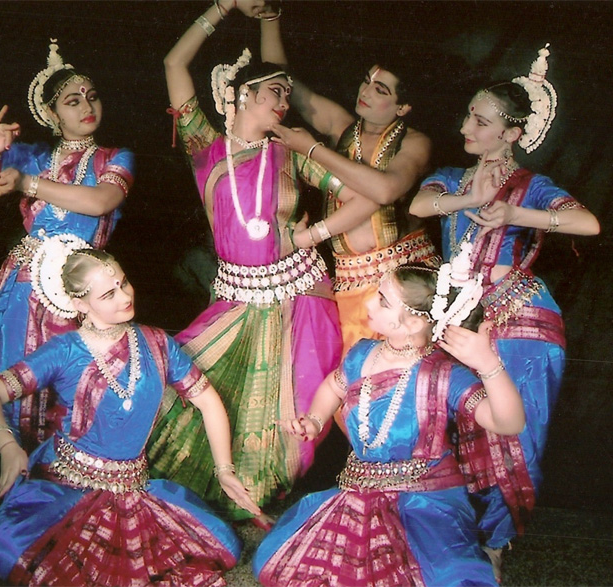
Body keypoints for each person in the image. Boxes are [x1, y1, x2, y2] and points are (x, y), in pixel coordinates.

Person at [146, 0, 382, 527]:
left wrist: (313, 233)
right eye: (274, 91)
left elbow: (368, 195)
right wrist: (224, 6)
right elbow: (173, 64)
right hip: (236, 295)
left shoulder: (292, 152)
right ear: (242, 95)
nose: (283, 101)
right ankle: (206, 488)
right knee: (193, 386)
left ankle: (261, 497)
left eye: (286, 92)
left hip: (299, 294)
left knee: (293, 412)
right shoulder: (204, 145)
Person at [408, 45, 600, 578]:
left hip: (520, 320)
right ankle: (454, 531)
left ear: (511, 133)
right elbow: (420, 205)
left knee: (513, 433)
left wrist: (517, 212)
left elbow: (587, 223)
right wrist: (472, 201)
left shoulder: (532, 186)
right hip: (459, 317)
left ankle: (495, 541)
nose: (465, 126)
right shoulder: (451, 176)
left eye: (480, 120)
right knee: (452, 423)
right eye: (468, 115)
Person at [0, 244, 259, 586]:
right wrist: (8, 447)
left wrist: (224, 470)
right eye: (108, 294)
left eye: (124, 283)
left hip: (134, 487)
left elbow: (208, 402)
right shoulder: (64, 351)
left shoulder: (157, 343)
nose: (124, 297)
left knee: (221, 544)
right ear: (80, 305)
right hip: (69, 487)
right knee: (24, 555)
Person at [253, 250, 525, 586]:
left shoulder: (443, 374)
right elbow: (334, 387)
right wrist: (315, 420)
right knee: (283, 562)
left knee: (445, 576)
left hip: (424, 501)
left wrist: (488, 364)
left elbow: (508, 424)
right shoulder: (363, 353)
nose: (369, 303)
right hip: (358, 493)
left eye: (382, 301)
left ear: (412, 323)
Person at [0, 40, 135, 452]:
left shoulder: (115, 158)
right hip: (24, 288)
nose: (87, 106)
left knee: (80, 391)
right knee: (17, 390)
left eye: (92, 97)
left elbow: (101, 201)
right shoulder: (32, 157)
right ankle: (21, 474)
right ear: (51, 113)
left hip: (86, 292)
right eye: (72, 101)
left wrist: (27, 184)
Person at [259, 10, 440, 353]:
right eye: (366, 81)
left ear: (402, 107)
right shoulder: (344, 128)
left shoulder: (415, 142)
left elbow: (385, 189)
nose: (365, 91)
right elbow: (284, 80)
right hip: (350, 287)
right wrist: (270, 19)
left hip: (404, 286)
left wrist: (312, 150)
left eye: (380, 90)